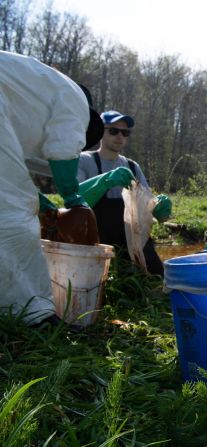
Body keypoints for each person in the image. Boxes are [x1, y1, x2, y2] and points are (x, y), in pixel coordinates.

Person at [0, 50, 104, 327]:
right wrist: (73, 198)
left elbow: (10, 176)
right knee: (14, 219)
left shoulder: (33, 94)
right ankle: (32, 315)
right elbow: (62, 151)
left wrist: (43, 204)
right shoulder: (77, 101)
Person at [77, 110, 172, 276]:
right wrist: (106, 180)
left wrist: (160, 208)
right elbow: (74, 201)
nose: (120, 136)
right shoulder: (84, 160)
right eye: (113, 131)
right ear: (100, 131)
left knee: (159, 277)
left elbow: (149, 208)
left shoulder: (132, 166)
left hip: (130, 242)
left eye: (125, 132)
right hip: (97, 243)